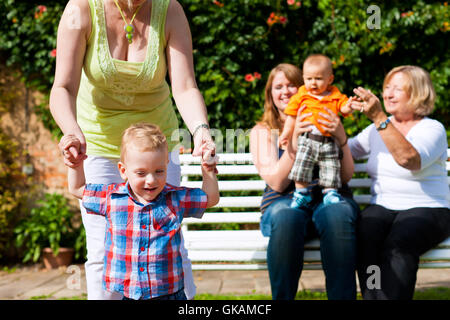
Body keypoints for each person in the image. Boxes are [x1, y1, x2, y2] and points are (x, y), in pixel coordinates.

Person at [50, 0, 215, 300]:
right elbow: (63, 87)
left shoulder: (170, 11)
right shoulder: (81, 10)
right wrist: (72, 131)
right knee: (103, 250)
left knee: (170, 242)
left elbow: (185, 85)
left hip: (155, 148)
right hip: (98, 145)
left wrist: (201, 130)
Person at [61, 123, 219, 300]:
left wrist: (208, 170)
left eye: (159, 171)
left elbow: (210, 199)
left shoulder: (176, 198)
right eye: (141, 173)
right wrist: (75, 164)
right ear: (123, 171)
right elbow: (77, 188)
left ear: (167, 165)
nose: (151, 180)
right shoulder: (111, 198)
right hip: (129, 295)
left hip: (170, 294)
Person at [249, 63, 359, 300]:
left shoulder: (327, 120)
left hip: (327, 199)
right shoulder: (262, 131)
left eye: (292, 85)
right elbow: (277, 182)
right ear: (270, 93)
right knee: (286, 216)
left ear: (305, 90)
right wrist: (294, 140)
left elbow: (347, 176)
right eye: (278, 87)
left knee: (338, 214)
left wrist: (341, 137)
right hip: (285, 202)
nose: (285, 91)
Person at [348, 65, 450, 300]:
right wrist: (330, 125)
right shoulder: (374, 129)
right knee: (366, 235)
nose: (387, 94)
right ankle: (373, 297)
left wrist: (379, 118)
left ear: (418, 93)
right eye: (386, 88)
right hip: (384, 206)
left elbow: (409, 160)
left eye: (397, 89)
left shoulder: (432, 128)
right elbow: (348, 151)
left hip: (430, 207)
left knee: (399, 243)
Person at [279, 54, 353, 209]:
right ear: (304, 78)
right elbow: (292, 116)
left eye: (318, 79)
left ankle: (330, 192)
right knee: (302, 165)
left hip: (328, 141)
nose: (313, 83)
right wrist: (286, 133)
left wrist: (350, 106)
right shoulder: (302, 95)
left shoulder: (334, 95)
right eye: (309, 79)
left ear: (330, 79)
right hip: (308, 139)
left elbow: (343, 107)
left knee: (330, 166)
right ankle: (301, 193)